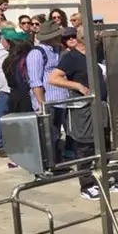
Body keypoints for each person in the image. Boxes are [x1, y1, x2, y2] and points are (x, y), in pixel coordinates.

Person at [48, 27, 118, 200]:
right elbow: (53, 78)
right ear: (84, 39)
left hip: (100, 107)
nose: (98, 39)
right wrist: (77, 86)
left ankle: (104, 179)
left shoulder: (93, 55)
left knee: (104, 143)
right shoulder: (71, 57)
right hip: (83, 109)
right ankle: (86, 184)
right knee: (85, 146)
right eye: (95, 37)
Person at [28, 20, 70, 160]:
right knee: (48, 136)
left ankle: (56, 161)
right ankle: (49, 164)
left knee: (56, 134)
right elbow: (35, 82)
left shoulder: (57, 50)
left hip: (60, 100)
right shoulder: (37, 53)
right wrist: (42, 104)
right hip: (48, 101)